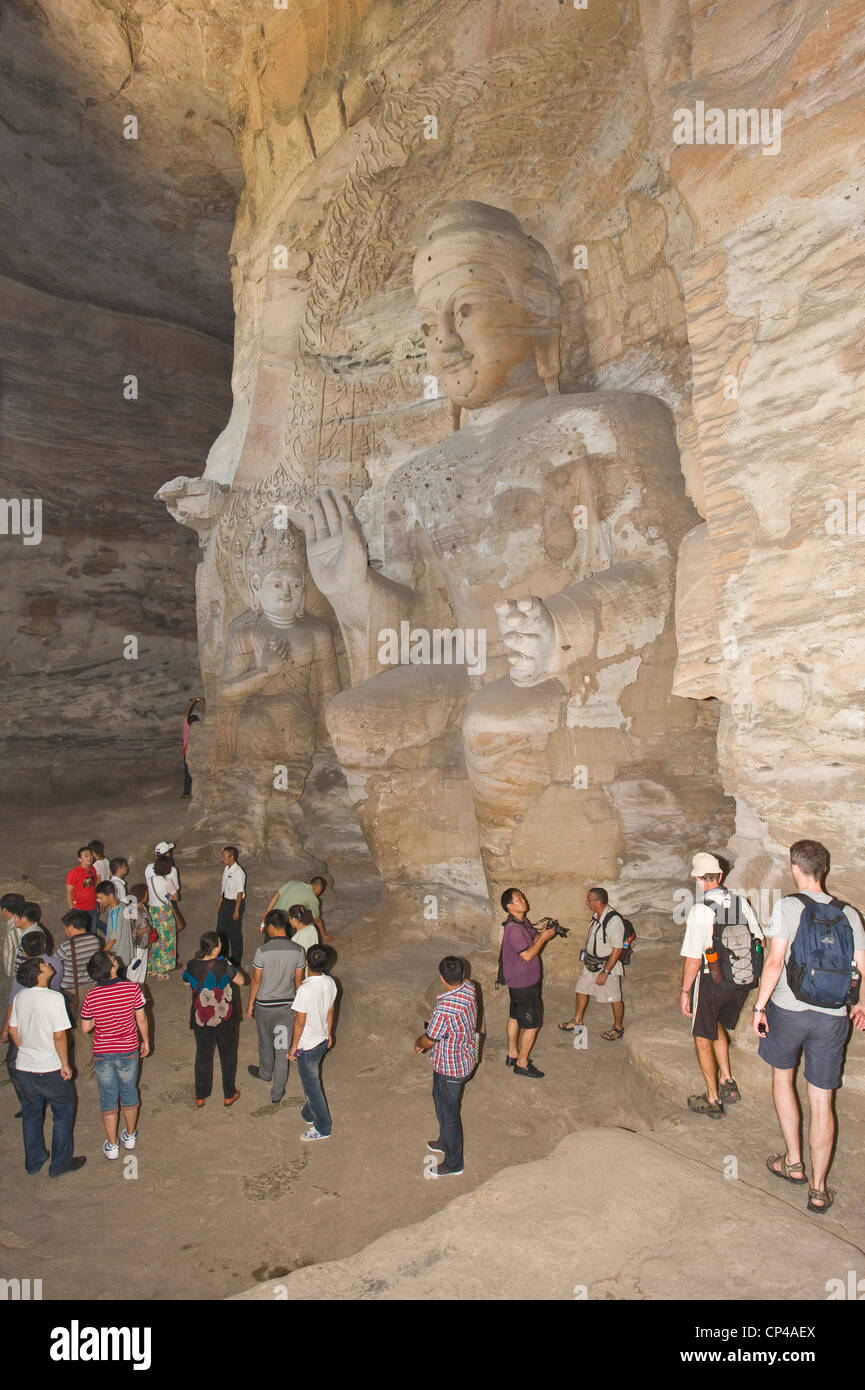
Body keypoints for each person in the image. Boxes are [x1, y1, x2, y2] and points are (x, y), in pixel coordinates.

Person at [752, 839, 865, 1213]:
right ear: (825, 869)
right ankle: (818, 1189)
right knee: (823, 1100)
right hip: (832, 1016)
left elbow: (774, 962)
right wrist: (860, 1003)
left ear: (795, 868)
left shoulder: (788, 906)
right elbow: (861, 969)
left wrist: (759, 1006)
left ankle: (794, 1162)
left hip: (788, 1010)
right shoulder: (849, 914)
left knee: (783, 1078)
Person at [679, 852, 764, 1118]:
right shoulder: (740, 902)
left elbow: (693, 958)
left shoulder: (701, 909)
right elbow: (758, 940)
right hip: (739, 981)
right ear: (721, 876)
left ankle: (713, 1099)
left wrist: (684, 992)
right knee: (714, 1024)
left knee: (702, 1035)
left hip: (711, 980)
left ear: (697, 878)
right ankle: (727, 1080)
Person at [9, 957, 85, 1177]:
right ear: (38, 974)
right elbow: (60, 1036)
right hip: (50, 1068)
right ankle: (60, 1163)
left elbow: (13, 1030)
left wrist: (27, 1047)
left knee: (31, 1114)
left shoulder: (21, 996)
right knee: (62, 1113)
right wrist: (65, 1064)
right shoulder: (54, 998)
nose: (48, 964)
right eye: (43, 964)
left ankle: (34, 1160)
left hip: (24, 1067)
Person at [79, 951, 149, 1160]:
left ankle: (112, 1145)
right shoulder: (132, 989)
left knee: (108, 1097)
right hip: (127, 1049)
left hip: (103, 1052)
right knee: (129, 1092)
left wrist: (97, 1020)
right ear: (110, 969)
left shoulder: (92, 996)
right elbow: (141, 1019)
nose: (115, 959)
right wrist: (145, 1041)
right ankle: (130, 1135)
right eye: (111, 960)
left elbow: (85, 1027)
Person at [415, 956, 477, 1179]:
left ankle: (454, 1163)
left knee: (450, 1115)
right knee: (439, 1099)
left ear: (441, 978)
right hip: (460, 1057)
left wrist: (418, 1044)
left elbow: (430, 1039)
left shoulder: (444, 1008)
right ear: (462, 975)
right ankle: (443, 1141)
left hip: (451, 1066)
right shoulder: (470, 989)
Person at [1, 931, 64, 1117]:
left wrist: (5, 1030)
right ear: (45, 945)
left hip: (29, 1022)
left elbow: (13, 1004)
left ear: (25, 953)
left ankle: (32, 1100)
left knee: (14, 1063)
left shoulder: (27, 972)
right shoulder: (56, 964)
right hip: (51, 1018)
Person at [246, 911, 305, 1104]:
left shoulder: (262, 951)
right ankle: (277, 1091)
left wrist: (250, 1004)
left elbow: (256, 980)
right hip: (286, 1006)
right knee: (282, 1047)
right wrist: (300, 1005)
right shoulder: (298, 950)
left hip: (265, 1006)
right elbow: (298, 980)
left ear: (271, 927)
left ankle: (265, 1073)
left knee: (265, 1042)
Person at [499, 888, 556, 1078]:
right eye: (517, 899)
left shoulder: (522, 922)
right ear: (509, 906)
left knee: (515, 1016)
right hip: (524, 983)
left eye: (522, 897)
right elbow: (528, 954)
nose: (523, 900)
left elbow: (533, 941)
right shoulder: (514, 929)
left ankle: (512, 1053)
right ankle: (522, 1064)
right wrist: (545, 938)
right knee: (532, 1024)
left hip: (518, 982)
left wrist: (543, 932)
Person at [183, 932, 242, 1107]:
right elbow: (241, 980)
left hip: (201, 1016)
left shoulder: (192, 964)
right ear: (216, 947)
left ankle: (201, 1095)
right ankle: (229, 1094)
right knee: (228, 1054)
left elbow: (187, 982)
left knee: (203, 1054)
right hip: (224, 1016)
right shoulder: (224, 964)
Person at [559, 888, 626, 1041]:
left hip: (607, 965)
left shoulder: (614, 921)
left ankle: (618, 1027)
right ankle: (577, 1021)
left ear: (598, 902)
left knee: (614, 998)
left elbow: (617, 949)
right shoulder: (597, 916)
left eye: (589, 899)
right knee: (581, 989)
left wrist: (606, 971)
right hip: (591, 963)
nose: (587, 902)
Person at [287, 945, 337, 1141]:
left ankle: (323, 1127)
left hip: (307, 1045)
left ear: (307, 963)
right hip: (322, 1039)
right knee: (312, 1079)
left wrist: (293, 1047)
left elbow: (299, 1022)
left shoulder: (305, 990)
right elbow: (331, 1011)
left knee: (312, 1087)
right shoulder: (330, 982)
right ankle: (309, 1113)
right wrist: (329, 1033)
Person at [56, 909, 103, 1016]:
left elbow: (55, 965)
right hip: (92, 988)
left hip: (72, 992)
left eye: (65, 928)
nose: (65, 931)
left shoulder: (66, 947)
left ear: (71, 927)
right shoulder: (95, 941)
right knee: (88, 1021)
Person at [263, 875, 331, 941]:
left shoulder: (294, 882)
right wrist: (324, 935)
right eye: (321, 891)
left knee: (269, 940)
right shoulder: (312, 898)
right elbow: (317, 920)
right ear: (319, 888)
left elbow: (277, 894)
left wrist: (267, 911)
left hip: (272, 915)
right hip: (285, 923)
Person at [147, 853, 180, 981]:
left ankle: (151, 967)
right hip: (164, 913)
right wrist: (167, 896)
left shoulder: (150, 880)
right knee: (165, 941)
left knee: (154, 938)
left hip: (152, 911)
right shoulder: (168, 882)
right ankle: (161, 970)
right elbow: (175, 897)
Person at [216, 846, 247, 966]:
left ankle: (236, 960)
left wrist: (236, 910)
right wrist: (220, 901)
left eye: (224, 856)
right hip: (225, 902)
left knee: (234, 932)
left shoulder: (238, 872)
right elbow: (224, 887)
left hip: (235, 903)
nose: (222, 858)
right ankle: (222, 956)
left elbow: (240, 892)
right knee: (221, 930)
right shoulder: (226, 869)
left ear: (231, 857)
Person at [96, 883, 134, 968]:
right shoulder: (121, 905)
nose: (98, 901)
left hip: (117, 956)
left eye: (101, 898)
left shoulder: (115, 915)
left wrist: (102, 954)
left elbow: (113, 939)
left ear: (111, 896)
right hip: (125, 953)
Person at [65, 846, 100, 934]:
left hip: (92, 906)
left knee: (92, 931)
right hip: (79, 909)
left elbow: (94, 885)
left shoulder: (93, 869)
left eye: (90, 855)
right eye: (86, 856)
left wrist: (98, 901)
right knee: (80, 933)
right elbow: (69, 892)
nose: (89, 858)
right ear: (80, 859)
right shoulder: (74, 873)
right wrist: (71, 908)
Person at [126, 882, 153, 986]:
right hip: (137, 945)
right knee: (135, 968)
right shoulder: (133, 910)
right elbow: (131, 931)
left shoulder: (142, 907)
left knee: (142, 967)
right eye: (146, 893)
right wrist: (146, 929)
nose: (147, 895)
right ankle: (131, 988)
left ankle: (139, 988)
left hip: (144, 944)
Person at [182, 696, 205, 798]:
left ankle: (186, 793)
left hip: (188, 752)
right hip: (199, 751)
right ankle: (202, 791)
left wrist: (191, 703)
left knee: (188, 773)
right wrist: (202, 703)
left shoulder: (187, 729)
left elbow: (185, 716)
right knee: (200, 770)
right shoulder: (200, 727)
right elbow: (208, 716)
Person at [2, 892, 27, 977]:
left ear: (4, 910)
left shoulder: (15, 928)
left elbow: (15, 952)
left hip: (16, 974)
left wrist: (11, 973)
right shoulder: (16, 923)